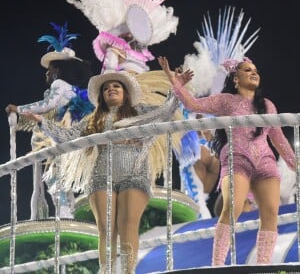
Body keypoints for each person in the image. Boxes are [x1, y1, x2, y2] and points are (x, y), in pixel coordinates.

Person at [22, 69, 182, 273]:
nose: (111, 89)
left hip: (135, 175)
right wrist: (41, 122)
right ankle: (106, 271)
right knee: (105, 230)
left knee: (128, 225)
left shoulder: (140, 112)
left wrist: (176, 88)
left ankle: (128, 271)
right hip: (100, 177)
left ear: (125, 93)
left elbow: (165, 112)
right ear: (101, 96)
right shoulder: (92, 120)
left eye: (116, 86)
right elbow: (66, 136)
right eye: (106, 88)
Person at [158, 55, 295, 265]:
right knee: (231, 208)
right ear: (236, 79)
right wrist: (174, 81)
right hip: (237, 159)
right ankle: (217, 265)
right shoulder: (226, 101)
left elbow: (278, 139)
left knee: (270, 216)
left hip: (265, 162)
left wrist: (295, 164)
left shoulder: (267, 105)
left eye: (255, 70)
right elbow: (193, 104)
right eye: (247, 70)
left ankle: (263, 266)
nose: (254, 73)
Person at [5, 22, 93, 219]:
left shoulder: (59, 86)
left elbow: (45, 106)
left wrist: (18, 109)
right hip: (71, 137)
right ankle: (69, 212)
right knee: (62, 176)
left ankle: (64, 214)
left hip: (64, 138)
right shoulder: (69, 89)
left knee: (55, 175)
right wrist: (22, 121)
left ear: (58, 71)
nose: (47, 72)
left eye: (50, 69)